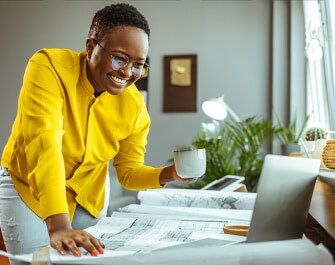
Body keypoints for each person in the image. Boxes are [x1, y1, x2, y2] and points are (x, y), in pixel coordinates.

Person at [0, 3, 195, 260]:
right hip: (29, 189)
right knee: (36, 262)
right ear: (91, 47)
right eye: (119, 58)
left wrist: (169, 174)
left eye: (138, 64)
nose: (127, 72)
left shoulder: (135, 106)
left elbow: (128, 171)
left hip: (87, 197)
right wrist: (59, 226)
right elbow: (43, 144)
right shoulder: (48, 67)